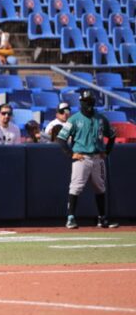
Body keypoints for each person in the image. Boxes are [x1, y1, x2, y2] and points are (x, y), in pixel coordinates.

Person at [56, 89, 117, 229]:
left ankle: (102, 218)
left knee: (100, 188)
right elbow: (61, 138)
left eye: (90, 101)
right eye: (85, 101)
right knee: (76, 187)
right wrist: (71, 153)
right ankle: (70, 218)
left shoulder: (101, 118)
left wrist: (107, 151)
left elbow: (112, 135)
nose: (88, 104)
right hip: (81, 157)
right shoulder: (74, 119)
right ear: (81, 102)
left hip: (97, 157)